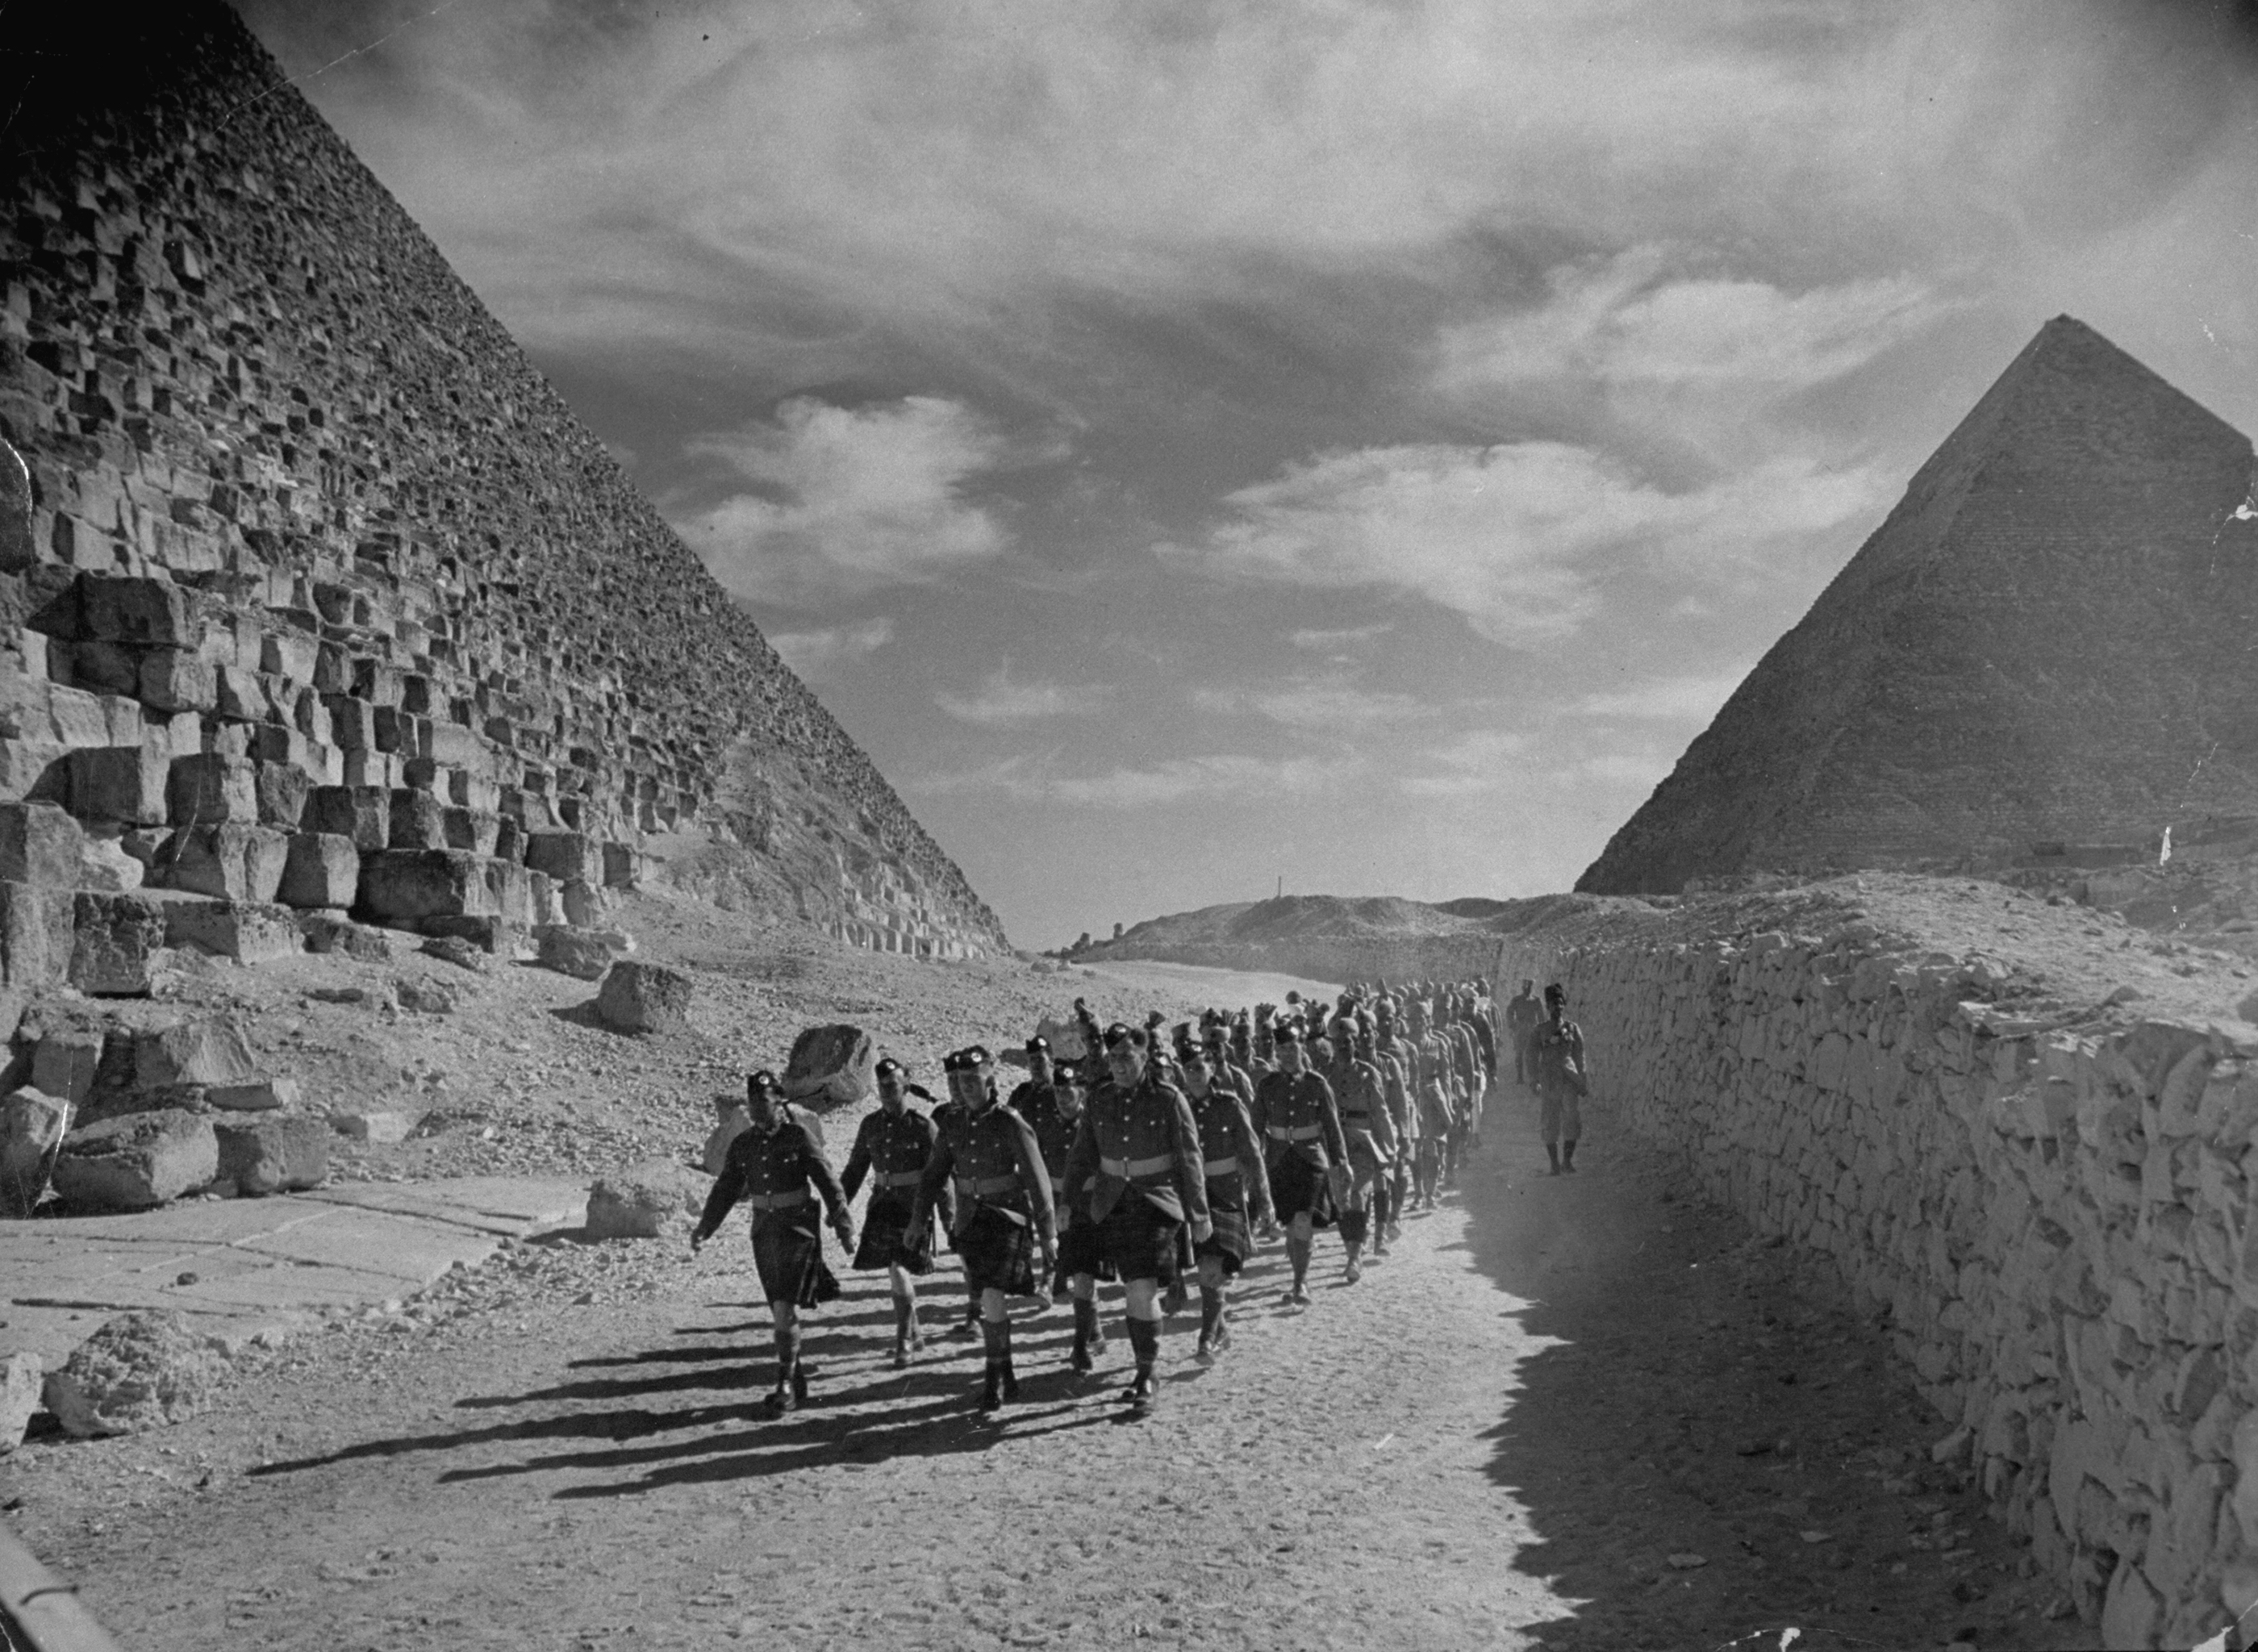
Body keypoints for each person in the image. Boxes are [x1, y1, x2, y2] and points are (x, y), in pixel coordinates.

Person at [1060, 1022, 1211, 1416]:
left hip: (1157, 1202)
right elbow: (1082, 1154)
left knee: (1141, 1289)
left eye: (1127, 1058)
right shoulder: (1098, 1100)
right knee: (1132, 1288)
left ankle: (1147, 1373)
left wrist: (1198, 1213)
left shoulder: (1168, 1099)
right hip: (1113, 1204)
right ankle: (1144, 1367)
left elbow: (1190, 1159)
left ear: (1145, 1058)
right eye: (1114, 1059)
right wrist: (1068, 1200)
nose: (1120, 1066)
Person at [691, 1070, 855, 1414]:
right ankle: (796, 1378)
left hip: (797, 1231)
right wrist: (706, 1227)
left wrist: (843, 1226)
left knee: (783, 1307)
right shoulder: (744, 1144)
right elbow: (726, 1189)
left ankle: (784, 1384)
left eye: (763, 1101)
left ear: (778, 1100)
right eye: (752, 1102)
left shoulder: (799, 1136)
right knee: (780, 1309)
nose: (756, 1109)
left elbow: (828, 1182)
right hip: (764, 1232)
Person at [909, 1046, 1057, 1412]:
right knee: (989, 1299)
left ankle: (994, 1379)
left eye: (974, 1080)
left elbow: (1038, 1181)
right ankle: (1004, 1374)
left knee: (991, 1294)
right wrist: (917, 1220)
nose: (967, 1087)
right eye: (961, 1081)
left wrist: (1049, 1232)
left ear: (990, 1080)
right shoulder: (953, 1123)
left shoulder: (1010, 1122)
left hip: (1007, 1218)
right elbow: (933, 1176)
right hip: (971, 1219)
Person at [1013, 1038, 1113, 1371]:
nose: (1062, 1099)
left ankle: (1079, 1345)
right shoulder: (1044, 1125)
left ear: (1081, 1093)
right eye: (1058, 1093)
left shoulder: (1095, 1125)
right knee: (1073, 1271)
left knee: (1084, 1275)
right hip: (1056, 1206)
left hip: (1088, 1206)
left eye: (1068, 1093)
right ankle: (1095, 1332)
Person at [839, 1057, 943, 1367]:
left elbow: (941, 1175)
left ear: (906, 1087)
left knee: (898, 1270)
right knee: (895, 1272)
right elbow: (856, 1168)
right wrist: (839, 1206)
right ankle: (915, 1332)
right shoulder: (870, 1125)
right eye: (882, 1086)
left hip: (914, 1208)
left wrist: (950, 1217)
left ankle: (904, 1339)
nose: (886, 1091)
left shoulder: (923, 1127)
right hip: (883, 1206)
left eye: (892, 1085)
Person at [1175, 1039, 1273, 1363]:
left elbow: (1252, 1152)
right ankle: (1220, 1328)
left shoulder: (1230, 1105)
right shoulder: (1176, 1106)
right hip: (1190, 1197)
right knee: (1206, 1269)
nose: (1194, 1075)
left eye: (1199, 1068)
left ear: (1212, 1068)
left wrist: (1264, 1199)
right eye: (1188, 1069)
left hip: (1226, 1195)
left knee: (1210, 1268)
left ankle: (1205, 1339)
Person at [1250, 1023, 1350, 1305]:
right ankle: (1298, 1275)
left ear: (1302, 1048)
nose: (1288, 1054)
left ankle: (1300, 1284)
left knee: (1303, 1222)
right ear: (1276, 1053)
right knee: (1291, 1224)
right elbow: (1256, 1129)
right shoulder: (1267, 1085)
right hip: (1279, 1161)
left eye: (1292, 1048)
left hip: (1311, 1159)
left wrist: (1341, 1162)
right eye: (1282, 1049)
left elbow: (1332, 1127)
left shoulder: (1317, 1084)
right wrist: (1253, 1163)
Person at [1324, 1016, 1394, 1279]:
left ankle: (1354, 1258)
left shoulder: (1368, 1074)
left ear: (1356, 1044)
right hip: (1334, 1143)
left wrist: (1389, 1148)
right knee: (1341, 1199)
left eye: (1349, 1042)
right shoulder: (1325, 1075)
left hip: (1362, 1142)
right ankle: (1351, 1248)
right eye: (1339, 1042)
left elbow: (1381, 1112)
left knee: (1358, 1195)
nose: (1344, 1046)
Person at [1526, 983, 1589, 1174]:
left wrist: (1582, 1081)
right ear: (1548, 1007)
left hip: (1569, 1080)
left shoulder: (1572, 1028)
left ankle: (1567, 1162)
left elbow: (1580, 1056)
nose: (1558, 1007)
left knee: (1571, 1119)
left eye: (1561, 1004)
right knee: (1550, 1121)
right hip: (1550, 1081)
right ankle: (1554, 1164)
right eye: (1554, 1004)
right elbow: (1531, 1056)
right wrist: (1534, 1080)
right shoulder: (1540, 1031)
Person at [1505, 979, 1542, 1087]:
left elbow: (1541, 1016)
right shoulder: (1516, 1000)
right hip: (1520, 1030)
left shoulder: (1536, 1000)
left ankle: (1534, 1077)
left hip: (1533, 1029)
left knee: (1533, 1054)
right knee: (1519, 1054)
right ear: (1522, 988)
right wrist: (1512, 1026)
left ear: (1532, 987)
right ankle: (1520, 1076)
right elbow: (1510, 1012)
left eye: (1529, 987)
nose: (1526, 989)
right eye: (1525, 987)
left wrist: (1542, 1028)